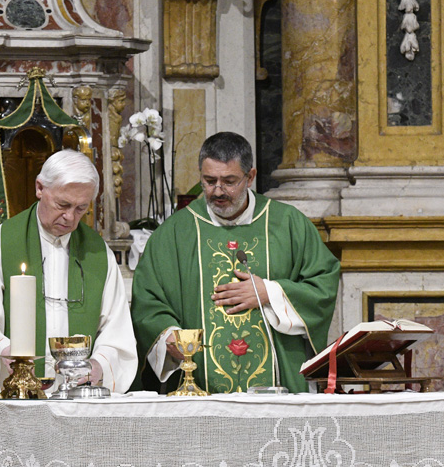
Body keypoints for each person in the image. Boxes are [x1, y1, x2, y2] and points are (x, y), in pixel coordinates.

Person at [131, 132, 340, 393]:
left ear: (250, 177)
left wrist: (270, 293)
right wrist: (167, 335)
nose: (218, 191)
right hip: (199, 391)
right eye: (209, 181)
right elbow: (148, 299)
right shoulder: (174, 233)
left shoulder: (287, 224)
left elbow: (323, 284)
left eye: (229, 181)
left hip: (278, 388)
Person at [0, 149, 137, 393]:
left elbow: (117, 332)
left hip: (78, 399)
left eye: (81, 208)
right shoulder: (1, 244)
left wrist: (99, 365)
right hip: (15, 395)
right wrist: (4, 351)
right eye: (63, 204)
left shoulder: (98, 253)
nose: (70, 217)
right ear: (40, 188)